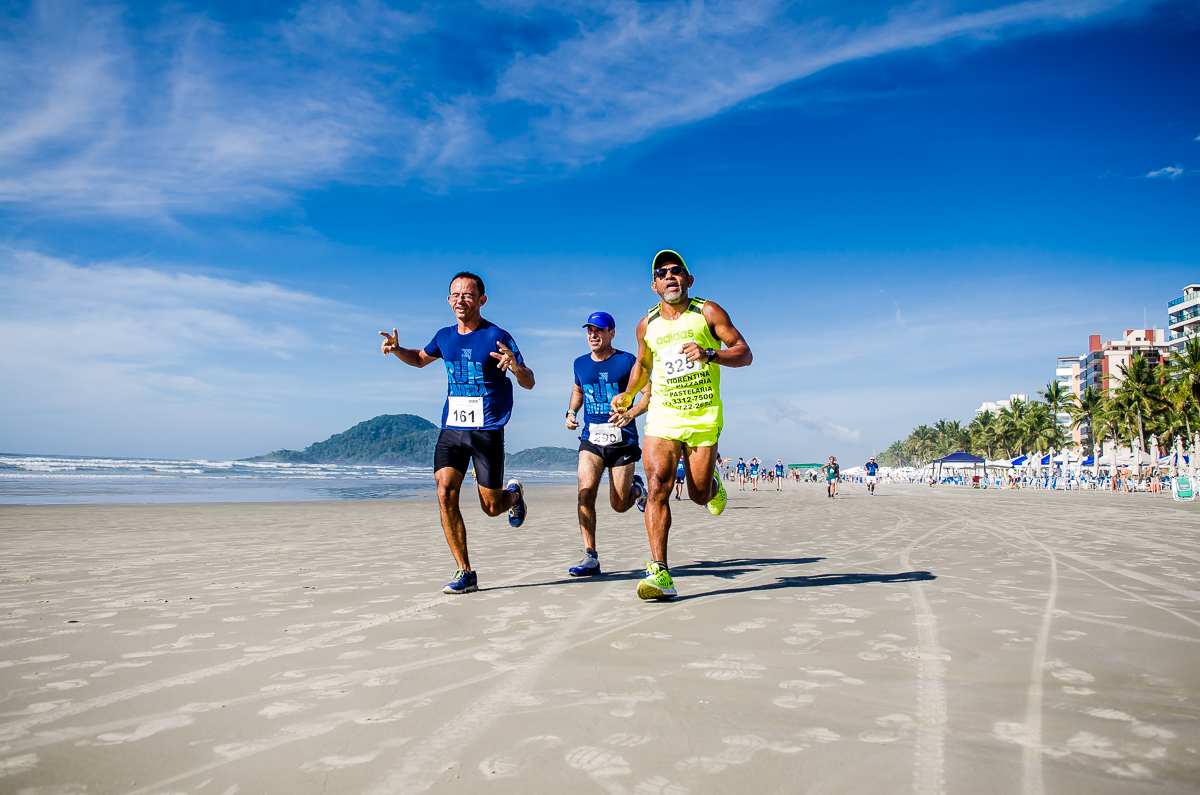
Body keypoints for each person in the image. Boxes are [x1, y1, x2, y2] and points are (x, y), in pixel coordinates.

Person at [379, 272, 534, 595]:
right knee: (444, 490)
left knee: (491, 507)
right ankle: (465, 572)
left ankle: (514, 495)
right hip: (452, 428)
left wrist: (516, 367)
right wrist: (397, 350)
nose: (460, 300)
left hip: (487, 430)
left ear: (481, 300)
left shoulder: (497, 336)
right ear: (448, 300)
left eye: (467, 295)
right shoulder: (444, 336)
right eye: (455, 295)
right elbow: (420, 359)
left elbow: (529, 380)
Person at [610, 249, 752, 600]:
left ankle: (711, 485)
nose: (670, 276)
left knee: (697, 493)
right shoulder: (647, 324)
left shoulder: (707, 312)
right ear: (654, 285)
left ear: (688, 280)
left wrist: (711, 354)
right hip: (663, 416)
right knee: (657, 485)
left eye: (677, 271)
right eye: (663, 272)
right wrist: (629, 394)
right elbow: (643, 365)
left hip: (703, 416)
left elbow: (744, 352)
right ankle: (660, 572)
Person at [565, 312, 651, 577]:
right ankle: (590, 556)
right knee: (585, 492)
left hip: (622, 442)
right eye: (589, 330)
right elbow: (578, 389)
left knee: (618, 504)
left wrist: (630, 414)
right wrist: (571, 413)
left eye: (599, 330)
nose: (593, 334)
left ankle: (636, 489)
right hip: (592, 439)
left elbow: (648, 394)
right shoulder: (580, 363)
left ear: (611, 333)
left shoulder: (627, 361)